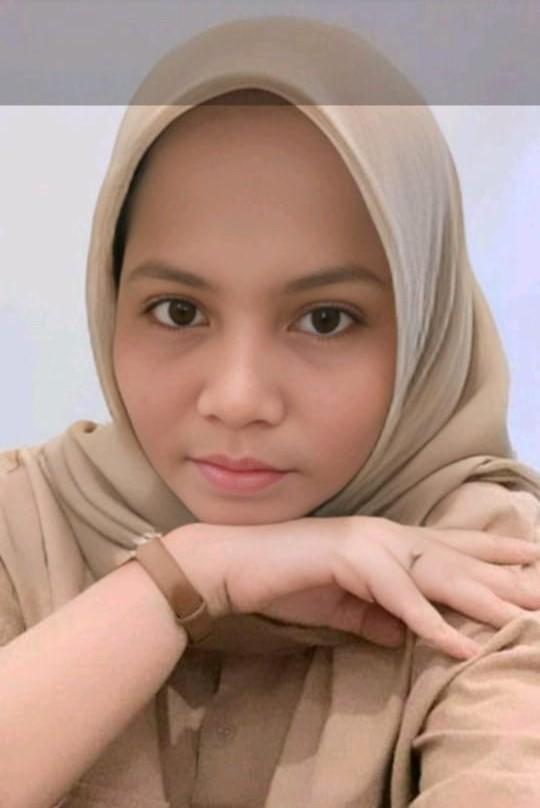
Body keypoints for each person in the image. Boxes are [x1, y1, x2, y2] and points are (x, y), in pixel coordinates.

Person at [1, 14, 540, 808]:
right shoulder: (23, 525)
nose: (238, 399)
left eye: (325, 319)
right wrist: (182, 581)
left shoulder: (490, 567)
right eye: (179, 311)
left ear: (423, 325)